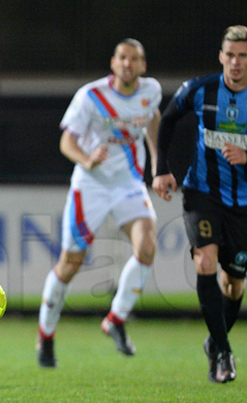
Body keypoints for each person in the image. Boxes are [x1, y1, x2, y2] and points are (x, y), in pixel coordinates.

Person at [37, 39, 162, 368]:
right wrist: (88, 160)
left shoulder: (151, 91)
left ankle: (116, 319)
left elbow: (152, 116)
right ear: (113, 63)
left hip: (129, 184)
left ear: (142, 65)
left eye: (134, 59)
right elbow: (67, 141)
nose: (127, 63)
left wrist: (157, 162)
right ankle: (45, 335)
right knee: (70, 263)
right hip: (90, 186)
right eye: (122, 57)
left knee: (147, 247)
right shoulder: (91, 96)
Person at [153, 25, 247, 384]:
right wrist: (162, 169)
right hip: (202, 193)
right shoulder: (200, 89)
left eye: (243, 55)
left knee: (234, 285)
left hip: (244, 201)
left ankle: (215, 341)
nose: (236, 62)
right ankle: (224, 353)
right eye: (230, 55)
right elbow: (167, 121)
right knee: (205, 260)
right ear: (221, 56)